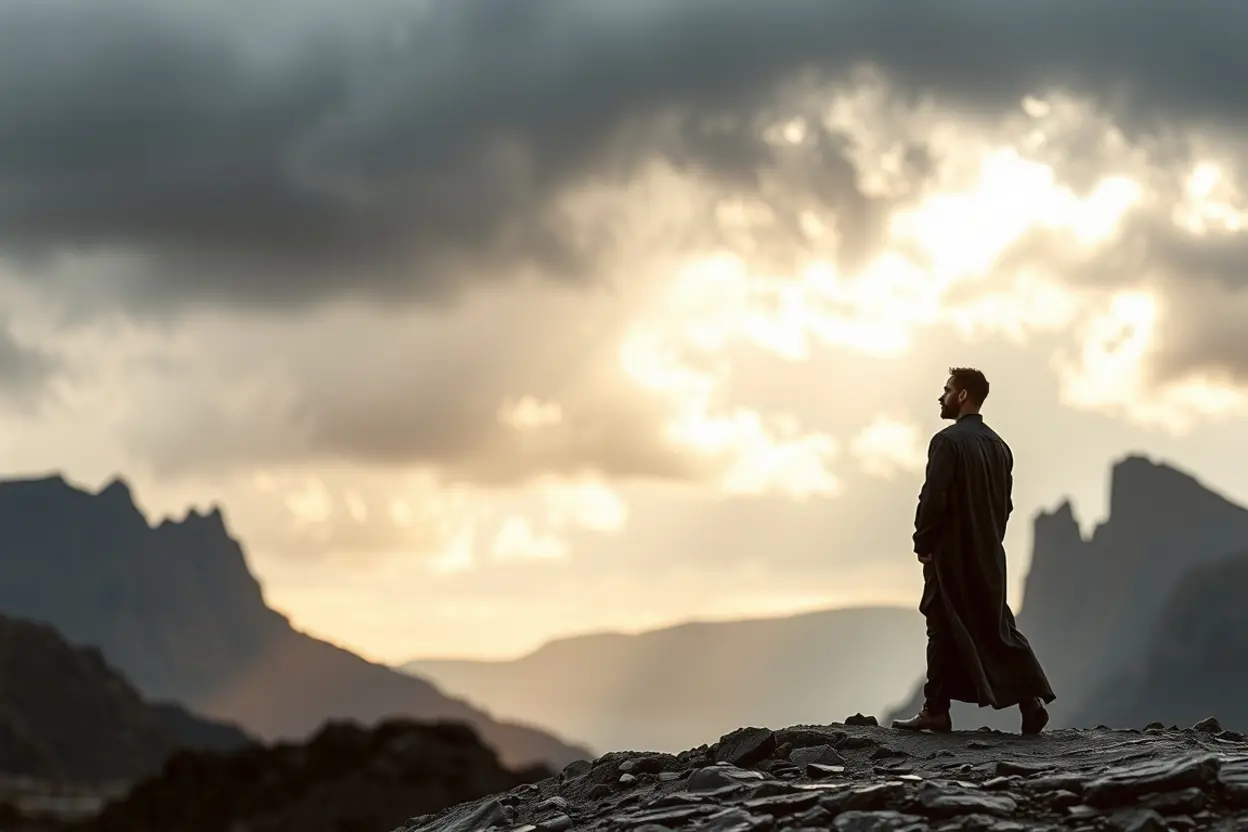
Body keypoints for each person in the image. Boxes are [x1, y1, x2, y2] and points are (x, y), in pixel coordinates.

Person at [891, 367, 1055, 735]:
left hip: (951, 555)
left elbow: (934, 496)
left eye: (947, 390)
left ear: (963, 395)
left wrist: (924, 541)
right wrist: (989, 542)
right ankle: (1030, 703)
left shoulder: (946, 442)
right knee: (996, 626)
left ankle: (936, 710)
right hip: (990, 554)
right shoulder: (1000, 447)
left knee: (940, 623)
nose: (941, 396)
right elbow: (1005, 506)